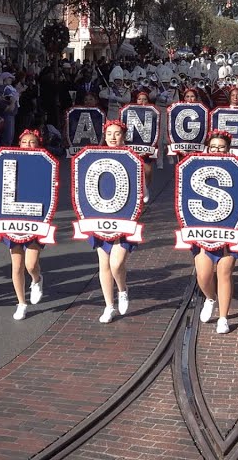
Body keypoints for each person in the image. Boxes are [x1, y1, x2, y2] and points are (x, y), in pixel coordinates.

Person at [190, 130, 238, 334]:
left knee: (224, 273)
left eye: (222, 147)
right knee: (203, 276)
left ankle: (223, 318)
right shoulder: (196, 168)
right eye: (214, 147)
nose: (217, 150)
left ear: (228, 149)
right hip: (202, 230)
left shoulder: (237, 169)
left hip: (228, 230)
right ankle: (210, 298)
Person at [92, 119, 140, 323]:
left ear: (124, 136)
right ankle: (109, 306)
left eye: (117, 133)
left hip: (123, 218)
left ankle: (122, 289)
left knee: (117, 262)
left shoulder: (132, 159)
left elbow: (141, 192)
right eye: (109, 133)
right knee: (104, 263)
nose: (112, 137)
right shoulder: (94, 157)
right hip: (100, 216)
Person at [2, 129, 49, 320]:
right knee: (17, 265)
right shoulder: (9, 162)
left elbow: (49, 194)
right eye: (24, 143)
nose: (28, 146)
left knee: (30, 265)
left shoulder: (45, 164)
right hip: (13, 218)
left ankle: (37, 279)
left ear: (38, 145)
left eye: (32, 143)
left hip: (35, 219)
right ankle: (21, 302)